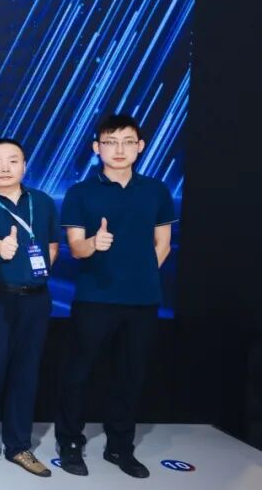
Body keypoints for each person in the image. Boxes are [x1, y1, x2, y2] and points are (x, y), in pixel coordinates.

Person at [54, 114, 176, 479]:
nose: (119, 149)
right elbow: (75, 247)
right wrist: (94, 243)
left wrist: (140, 273)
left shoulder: (156, 190)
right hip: (94, 297)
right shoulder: (80, 192)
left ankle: (120, 446)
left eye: (127, 142)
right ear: (97, 147)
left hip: (142, 300)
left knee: (130, 375)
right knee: (78, 374)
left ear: (140, 146)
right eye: (110, 142)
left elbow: (163, 244)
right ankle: (70, 443)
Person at [0, 138, 59, 478]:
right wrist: (0, 247)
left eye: (12, 160)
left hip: (36, 299)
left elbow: (51, 245)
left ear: (24, 165)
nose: (5, 168)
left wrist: (37, 274)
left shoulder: (43, 202)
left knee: (26, 373)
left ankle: (19, 446)